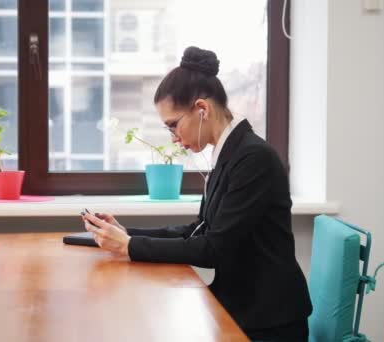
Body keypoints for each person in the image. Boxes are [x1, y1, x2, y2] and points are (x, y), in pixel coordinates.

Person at [80, 46, 312, 342]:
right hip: (241, 307)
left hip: (268, 321)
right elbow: (198, 229)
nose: (174, 138)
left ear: (202, 109)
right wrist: (126, 233)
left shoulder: (254, 158)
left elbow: (213, 248)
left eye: (173, 125)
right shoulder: (229, 153)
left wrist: (130, 245)